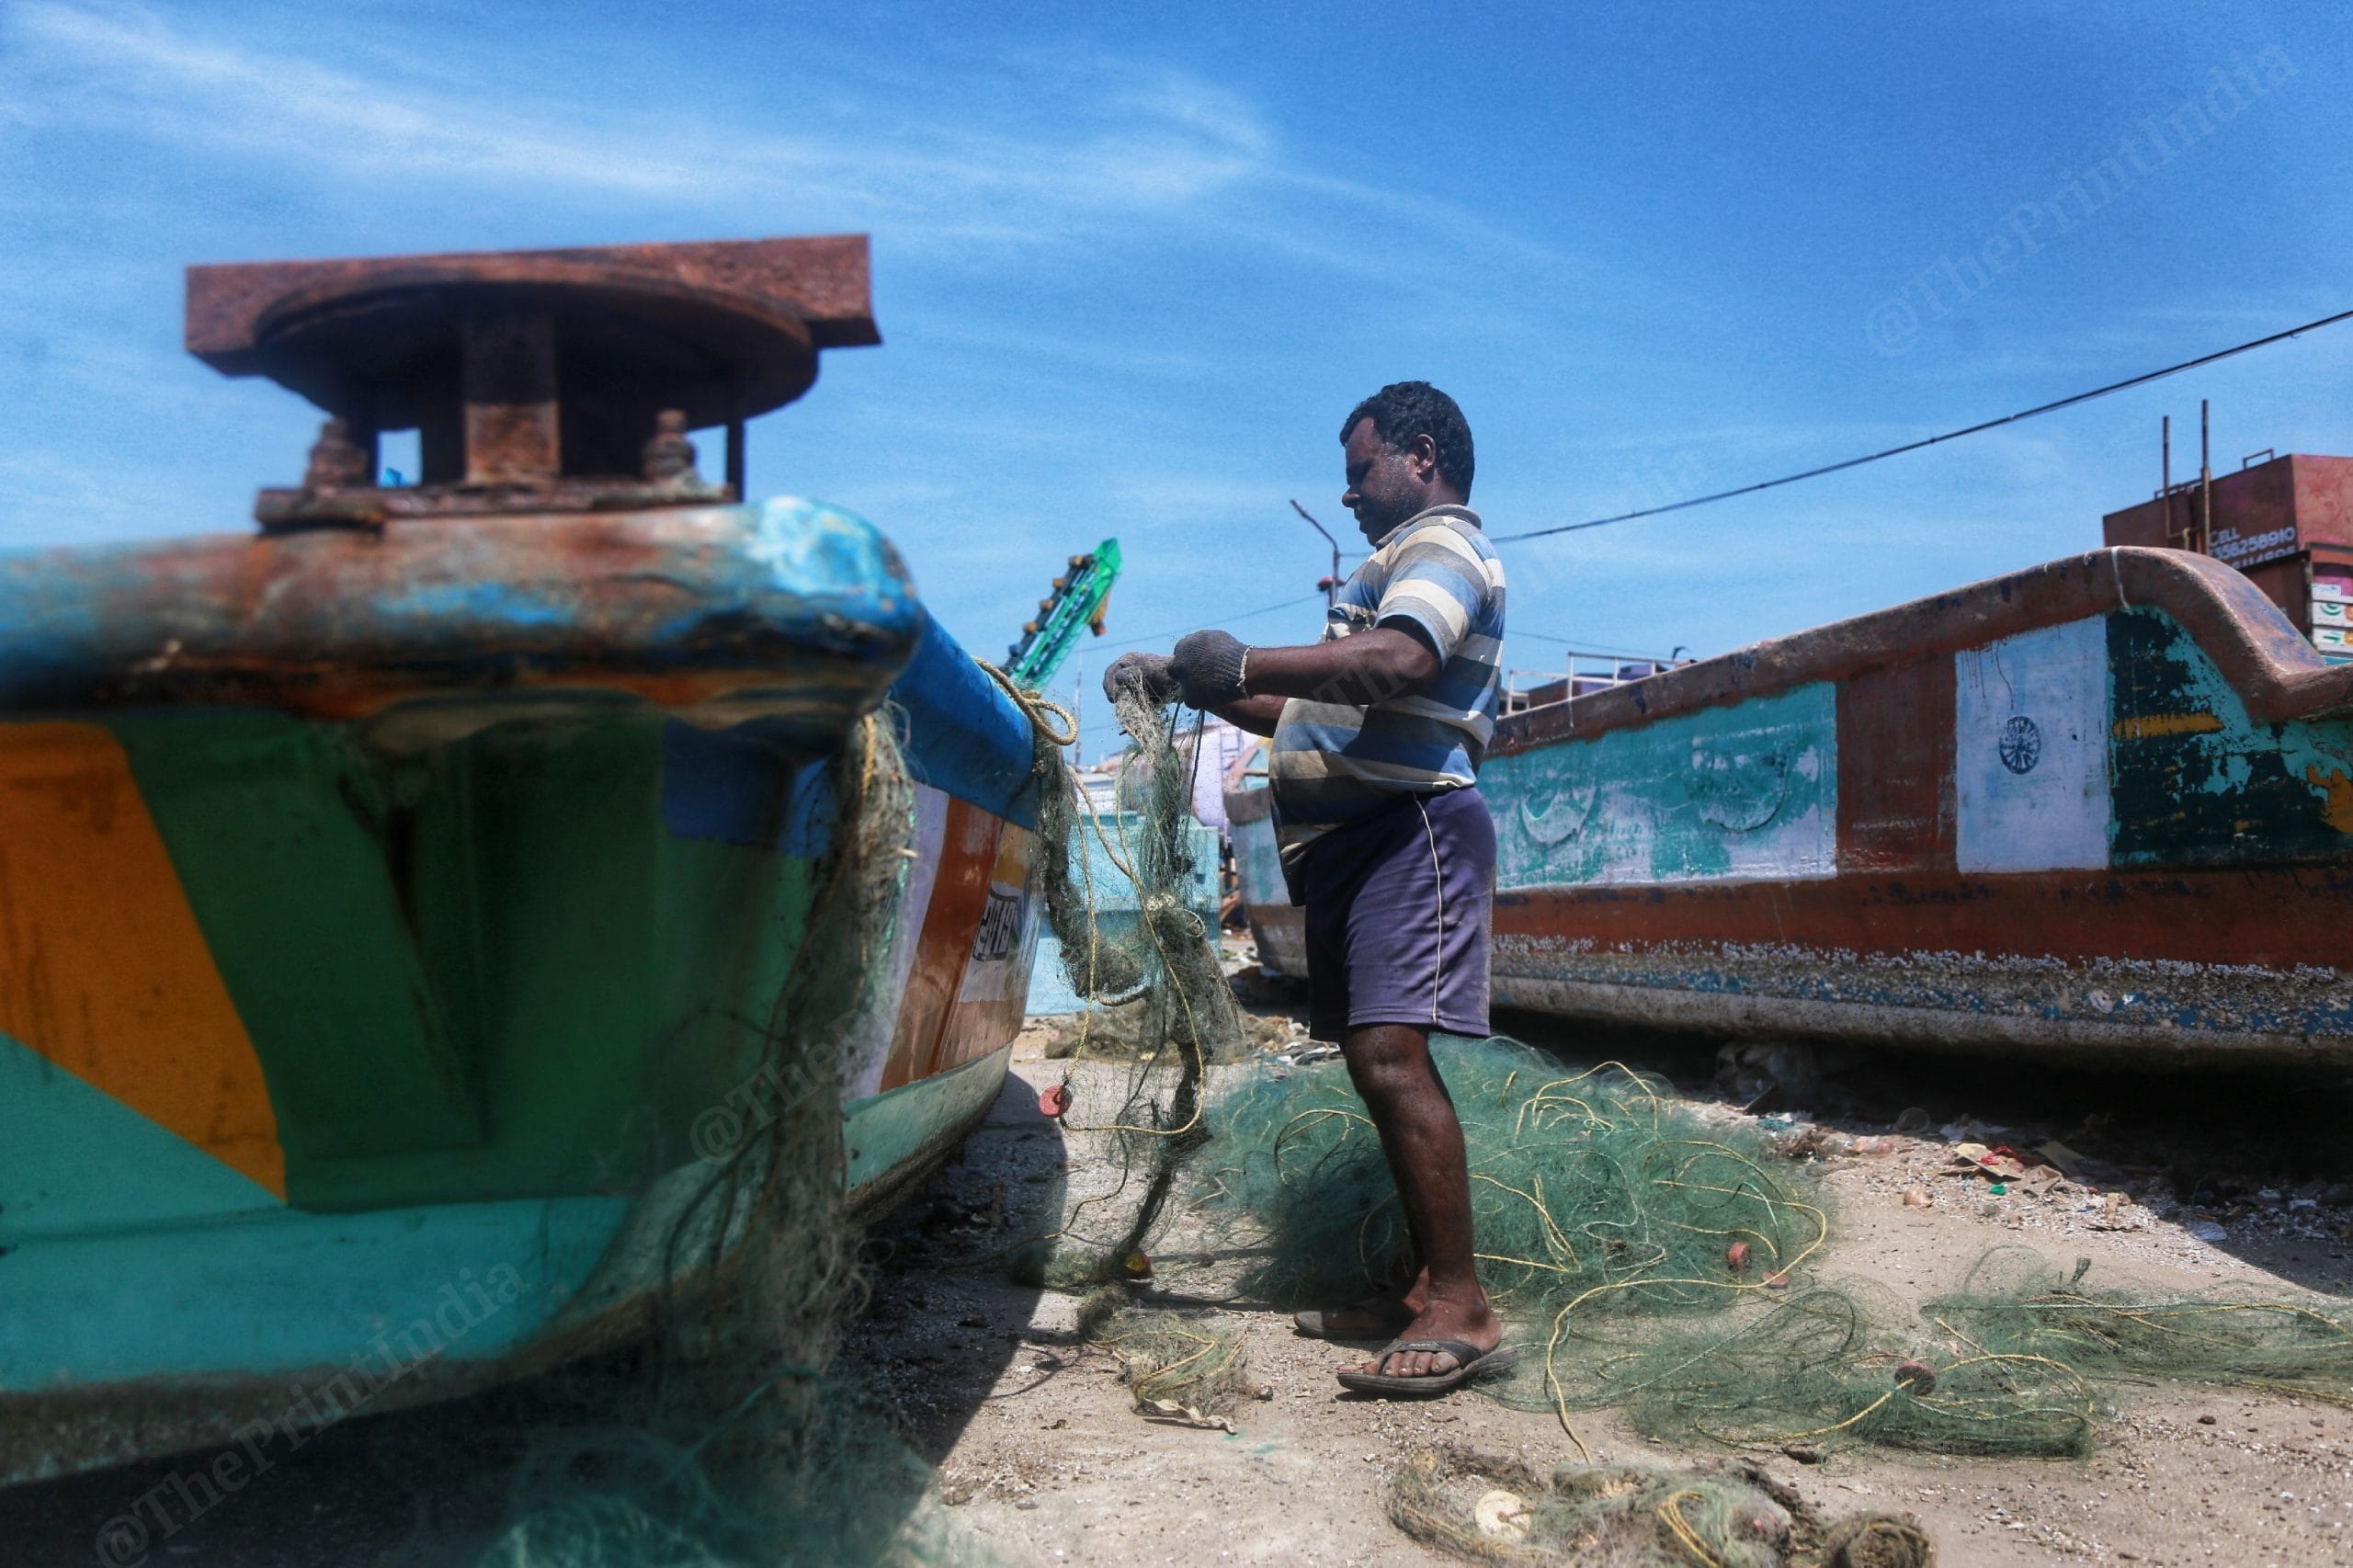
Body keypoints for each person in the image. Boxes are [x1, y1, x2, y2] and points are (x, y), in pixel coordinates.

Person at [1104, 381, 1508, 1397]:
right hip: (1351, 844)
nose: (1349, 495)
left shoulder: (1443, 548)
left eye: (1359, 471)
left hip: (1406, 827)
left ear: (1420, 456)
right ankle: (1420, 1283)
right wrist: (1193, 681)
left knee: (1388, 1052)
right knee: (1374, 1061)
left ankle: (1461, 1301)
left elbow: (1398, 657)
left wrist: (1238, 653)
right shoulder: (1381, 567)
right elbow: (1298, 705)